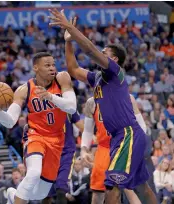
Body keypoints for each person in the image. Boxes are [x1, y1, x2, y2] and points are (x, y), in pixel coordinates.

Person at [48, 9, 157, 204]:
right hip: (118, 137)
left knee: (112, 186)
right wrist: (68, 41)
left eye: (105, 52)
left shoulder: (115, 72)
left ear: (113, 60)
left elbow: (90, 49)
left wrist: (70, 27)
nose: (101, 53)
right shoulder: (97, 78)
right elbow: (72, 69)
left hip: (128, 134)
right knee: (141, 186)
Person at [0, 52, 77, 204]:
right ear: (35, 67)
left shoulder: (62, 78)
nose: (52, 68)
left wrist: (50, 96)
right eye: (47, 65)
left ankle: (12, 195)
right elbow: (10, 121)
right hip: (35, 135)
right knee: (33, 173)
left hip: (57, 140)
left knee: (38, 195)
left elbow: (72, 107)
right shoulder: (24, 90)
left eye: (53, 64)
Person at [81, 96, 147, 204]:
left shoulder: (127, 98)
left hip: (124, 146)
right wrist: (84, 150)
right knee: (98, 193)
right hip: (104, 148)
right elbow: (87, 131)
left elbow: (142, 126)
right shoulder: (92, 102)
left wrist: (137, 147)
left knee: (127, 191)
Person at [42, 111, 84, 204]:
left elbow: (82, 127)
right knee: (46, 193)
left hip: (66, 152)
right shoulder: (42, 108)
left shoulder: (69, 107)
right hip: (50, 153)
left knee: (61, 187)